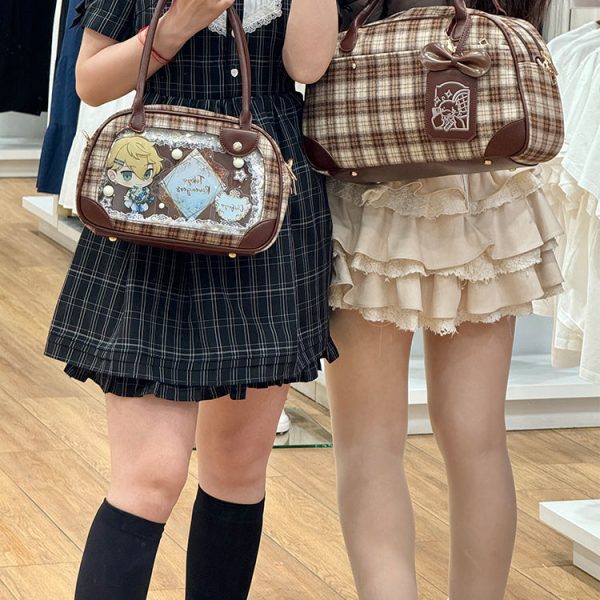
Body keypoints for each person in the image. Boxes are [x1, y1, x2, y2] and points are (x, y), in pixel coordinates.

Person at [44, 0, 338, 598]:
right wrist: (178, 23)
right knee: (149, 479)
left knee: (238, 471)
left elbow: (307, 65)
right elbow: (91, 82)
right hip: (152, 212)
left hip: (261, 213)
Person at [326, 1, 559, 599]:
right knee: (477, 439)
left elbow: (312, 52)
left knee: (369, 444)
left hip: (371, 170)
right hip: (484, 177)